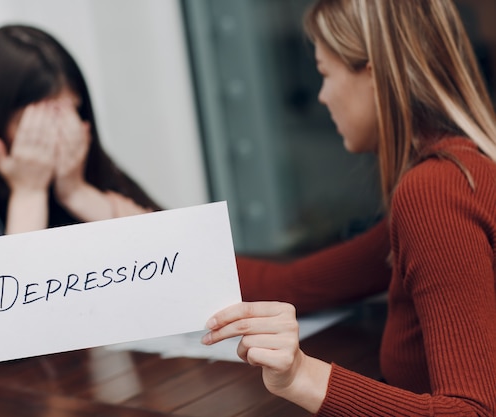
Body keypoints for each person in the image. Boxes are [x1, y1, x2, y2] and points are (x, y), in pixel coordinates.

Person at [202, 0, 496, 415]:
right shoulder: (463, 174)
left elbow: (475, 412)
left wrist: (301, 376)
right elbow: (294, 285)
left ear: (373, 74)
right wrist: (145, 233)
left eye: (324, 73)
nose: (321, 95)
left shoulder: (436, 192)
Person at [0, 25, 160, 364]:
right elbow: (10, 331)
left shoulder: (83, 176)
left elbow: (174, 261)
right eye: (39, 123)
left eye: (70, 114)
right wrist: (28, 194)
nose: (59, 136)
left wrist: (78, 193)